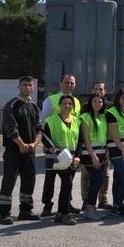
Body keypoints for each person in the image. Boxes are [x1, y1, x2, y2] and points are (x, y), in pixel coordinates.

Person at [0, 76, 42, 225]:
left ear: (33, 87)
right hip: (13, 152)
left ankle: (25, 210)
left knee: (29, 179)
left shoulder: (34, 107)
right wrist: (21, 145)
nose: (27, 88)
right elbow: (11, 129)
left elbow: (39, 129)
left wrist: (34, 144)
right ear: (19, 87)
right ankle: (4, 213)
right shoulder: (11, 105)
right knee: (9, 180)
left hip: (30, 151)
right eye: (24, 85)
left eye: (30, 85)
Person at [42, 95, 82, 225]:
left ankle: (60, 213)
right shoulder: (51, 120)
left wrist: (77, 156)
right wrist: (54, 149)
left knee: (67, 185)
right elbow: (44, 136)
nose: (67, 106)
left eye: (70, 104)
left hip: (72, 159)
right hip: (56, 158)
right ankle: (65, 214)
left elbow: (80, 141)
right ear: (60, 105)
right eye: (64, 103)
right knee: (67, 182)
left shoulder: (77, 121)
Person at [78, 93, 107, 220]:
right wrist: (93, 155)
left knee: (97, 180)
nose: (97, 104)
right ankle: (89, 208)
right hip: (90, 155)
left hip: (102, 155)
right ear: (90, 103)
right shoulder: (85, 117)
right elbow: (85, 139)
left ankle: (91, 208)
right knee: (98, 179)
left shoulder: (103, 117)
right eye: (95, 101)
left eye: (100, 102)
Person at [106, 88, 124, 216]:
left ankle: (116, 206)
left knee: (118, 178)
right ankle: (118, 204)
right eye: (123, 98)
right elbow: (113, 134)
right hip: (117, 150)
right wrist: (122, 150)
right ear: (118, 98)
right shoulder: (112, 112)